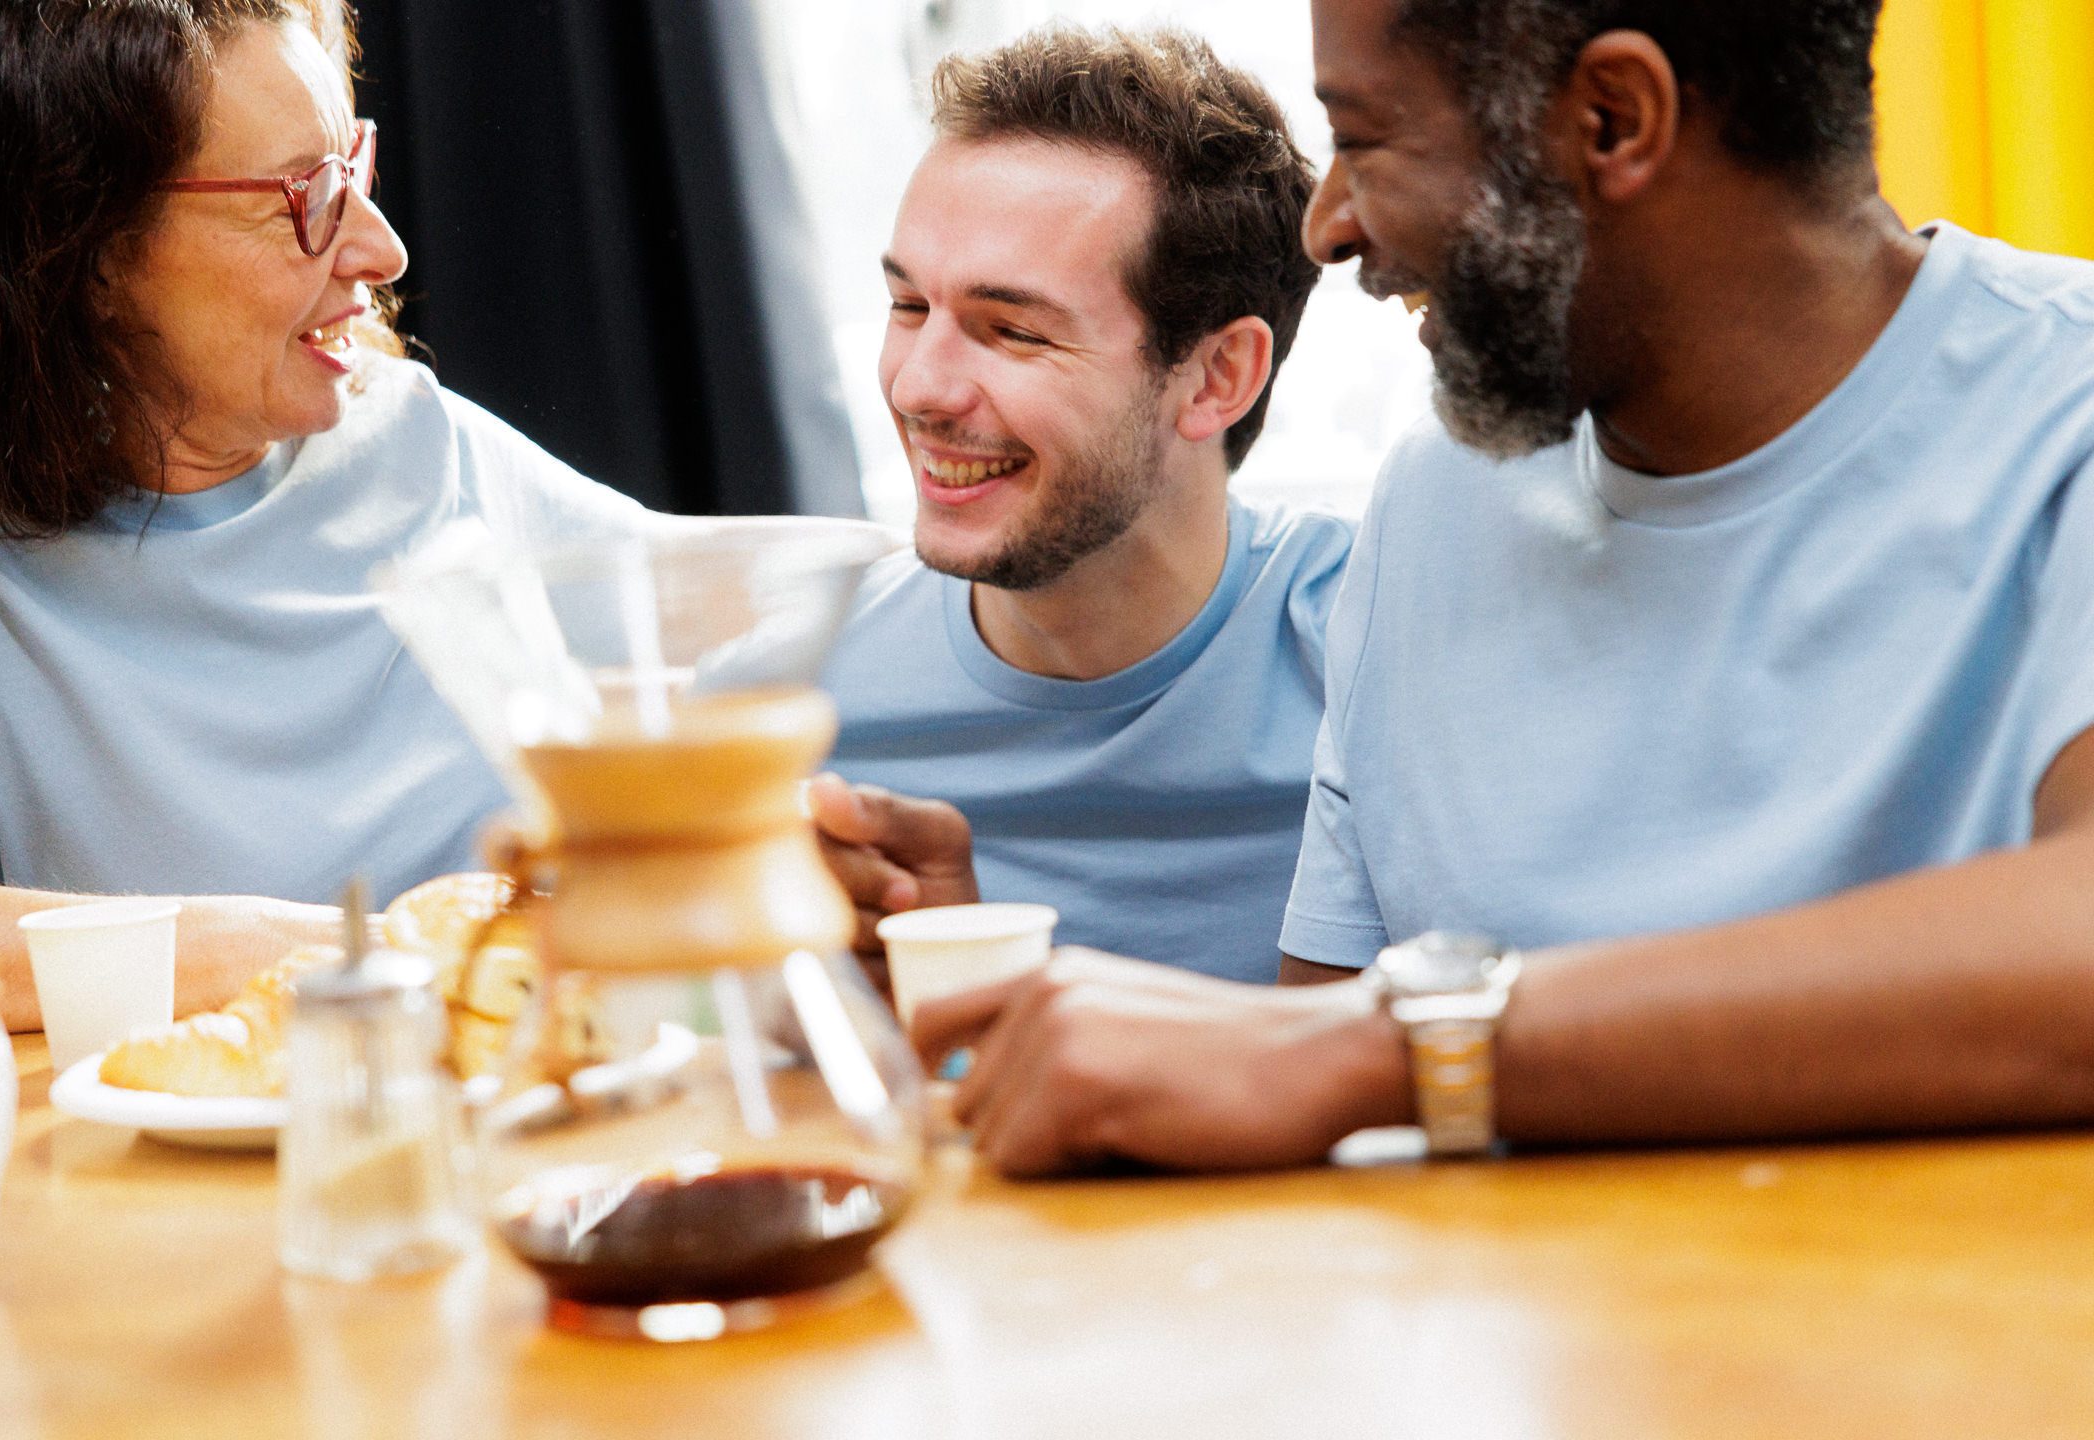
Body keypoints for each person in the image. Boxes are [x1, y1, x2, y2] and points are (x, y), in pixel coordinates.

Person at [891, 0, 2094, 1176]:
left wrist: (1401, 1047)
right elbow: (1297, 1095)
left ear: (1615, 119)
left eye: (1362, 140)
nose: (1327, 226)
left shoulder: (2062, 420)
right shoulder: (1434, 499)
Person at [0, 0, 661, 1030]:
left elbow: (778, 630)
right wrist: (319, 950)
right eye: (305, 197)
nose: (384, 248)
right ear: (85, 253)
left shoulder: (419, 443)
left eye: (352, 168)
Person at [811, 27, 1354, 984]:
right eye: (907, 309)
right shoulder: (799, 700)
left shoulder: (1374, 656)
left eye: (1011, 330)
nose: (918, 387)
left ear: (1218, 376)